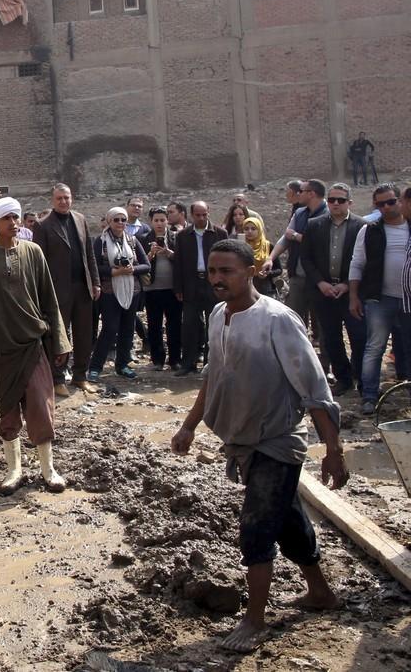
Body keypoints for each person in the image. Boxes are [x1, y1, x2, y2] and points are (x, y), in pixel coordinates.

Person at [172, 238, 347, 654]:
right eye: (212, 271)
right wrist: (189, 425)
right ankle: (320, 591)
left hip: (278, 438)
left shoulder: (277, 320)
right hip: (243, 439)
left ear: (250, 271)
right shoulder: (218, 316)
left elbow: (314, 389)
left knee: (255, 527)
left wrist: (334, 450)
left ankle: (255, 619)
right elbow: (214, 375)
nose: (217, 279)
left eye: (226, 271)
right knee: (286, 518)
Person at [0, 197, 70, 493]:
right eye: (7, 218)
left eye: (16, 217)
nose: (13, 222)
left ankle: (48, 470)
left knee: (40, 405)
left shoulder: (33, 252)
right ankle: (14, 471)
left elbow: (49, 298)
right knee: (7, 411)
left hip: (32, 344)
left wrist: (60, 341)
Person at [348, 185, 409, 414]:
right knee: (374, 347)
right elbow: (357, 263)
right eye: (380, 204)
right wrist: (353, 296)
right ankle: (369, 396)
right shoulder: (369, 230)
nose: (386, 207)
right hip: (379, 299)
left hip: (408, 299)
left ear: (399, 201)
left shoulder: (409, 226)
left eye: (390, 202)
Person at [33, 184, 99, 396]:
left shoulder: (80, 219)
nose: (63, 201)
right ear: (53, 200)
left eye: (67, 197)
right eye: (59, 198)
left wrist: (95, 282)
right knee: (59, 335)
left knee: (84, 333)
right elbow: (39, 261)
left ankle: (81, 376)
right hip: (57, 290)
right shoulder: (43, 225)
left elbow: (89, 253)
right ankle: (57, 378)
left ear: (72, 198)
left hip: (83, 287)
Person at [302, 184, 366, 396]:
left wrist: (347, 284)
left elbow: (367, 262)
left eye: (340, 200)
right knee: (331, 338)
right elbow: (306, 259)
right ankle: (343, 378)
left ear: (350, 202)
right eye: (332, 200)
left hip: (351, 292)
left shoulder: (362, 226)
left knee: (358, 336)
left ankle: (359, 375)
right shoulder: (314, 225)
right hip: (324, 292)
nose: (336, 204)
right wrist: (321, 283)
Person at [89, 207, 150, 380]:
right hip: (110, 292)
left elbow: (146, 265)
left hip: (132, 290)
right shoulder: (100, 242)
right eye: (117, 220)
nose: (121, 223)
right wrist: (112, 271)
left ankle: (122, 364)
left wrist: (132, 269)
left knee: (127, 329)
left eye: (124, 220)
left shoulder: (132, 240)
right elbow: (94, 267)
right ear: (109, 221)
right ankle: (95, 367)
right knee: (109, 329)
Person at [263, 179, 328, 330]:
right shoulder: (299, 213)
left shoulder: (328, 215)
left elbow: (322, 242)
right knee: (292, 321)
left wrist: (297, 236)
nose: (298, 194)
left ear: (311, 194)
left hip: (321, 279)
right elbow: (286, 237)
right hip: (298, 276)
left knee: (324, 323)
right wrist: (270, 258)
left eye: (302, 191)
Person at [172, 201, 228, 376]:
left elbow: (227, 261)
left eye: (205, 214)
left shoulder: (220, 233)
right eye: (198, 215)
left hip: (214, 284)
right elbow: (178, 263)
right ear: (191, 215)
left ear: (209, 213)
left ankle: (211, 363)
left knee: (215, 324)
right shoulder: (182, 236)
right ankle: (188, 363)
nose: (202, 218)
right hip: (191, 283)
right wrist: (178, 287)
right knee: (190, 324)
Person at [140, 207, 182, 370]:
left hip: (172, 288)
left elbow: (182, 261)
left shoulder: (176, 237)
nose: (159, 223)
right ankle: (157, 360)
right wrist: (150, 254)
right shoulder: (143, 238)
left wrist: (169, 253)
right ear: (151, 222)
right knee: (154, 325)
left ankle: (175, 360)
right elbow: (139, 263)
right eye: (156, 220)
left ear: (167, 221)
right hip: (152, 289)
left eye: (162, 220)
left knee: (175, 324)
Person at [241, 215, 278, 297]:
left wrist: (267, 273)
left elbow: (279, 269)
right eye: (246, 229)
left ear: (259, 230)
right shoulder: (240, 246)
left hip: (265, 288)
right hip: (244, 289)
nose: (249, 231)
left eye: (253, 229)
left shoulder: (268, 246)